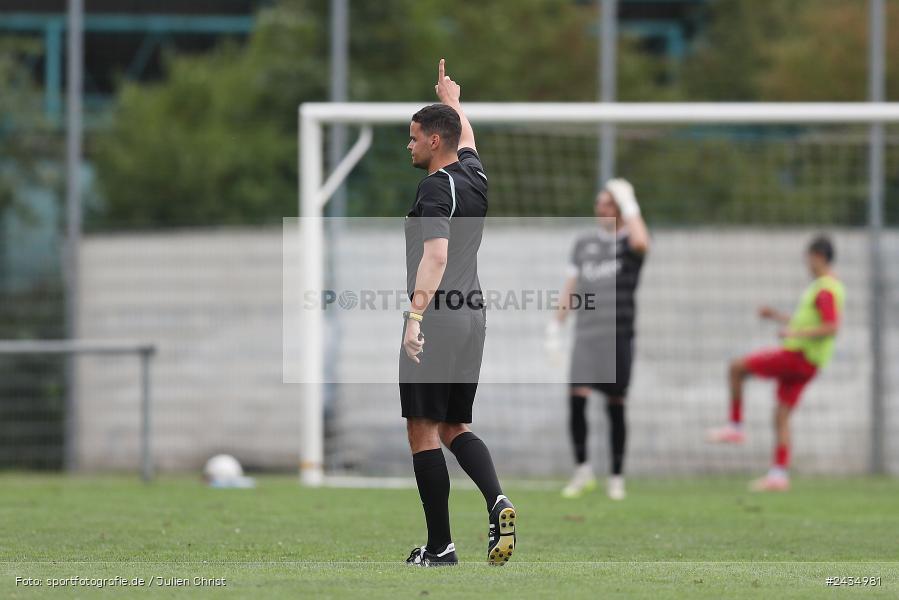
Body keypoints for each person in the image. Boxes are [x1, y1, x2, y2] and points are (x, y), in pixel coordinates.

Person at [401, 59, 515, 567]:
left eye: (413, 138)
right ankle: (497, 500)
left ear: (433, 141)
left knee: (422, 428)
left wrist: (414, 318)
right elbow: (465, 137)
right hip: (474, 316)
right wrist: (453, 101)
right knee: (454, 426)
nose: (408, 146)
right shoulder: (474, 175)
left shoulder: (434, 187)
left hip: (439, 318)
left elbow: (436, 256)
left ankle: (440, 547)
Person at [707, 235, 844, 492]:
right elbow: (809, 322)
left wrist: (794, 334)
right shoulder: (830, 287)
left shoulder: (825, 289)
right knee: (781, 415)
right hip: (810, 363)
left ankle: (735, 426)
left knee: (736, 368)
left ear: (818, 257)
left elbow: (831, 327)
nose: (807, 263)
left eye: (808, 258)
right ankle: (779, 475)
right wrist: (777, 317)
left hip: (798, 357)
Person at [547, 179, 649, 500]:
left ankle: (616, 477)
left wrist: (630, 203)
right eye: (599, 203)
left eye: (608, 203)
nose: (601, 209)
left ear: (619, 209)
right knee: (576, 397)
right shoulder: (584, 244)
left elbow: (642, 242)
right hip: (586, 334)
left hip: (617, 335)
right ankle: (582, 471)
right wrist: (555, 327)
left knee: (616, 403)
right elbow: (571, 286)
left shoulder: (629, 243)